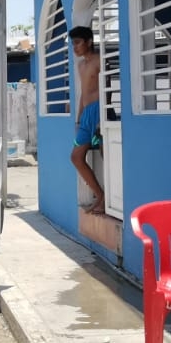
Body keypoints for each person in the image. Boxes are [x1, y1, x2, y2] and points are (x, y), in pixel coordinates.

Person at [69, 26, 105, 214]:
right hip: (86, 115)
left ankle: (108, 200)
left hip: (101, 111)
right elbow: (84, 92)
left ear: (89, 42)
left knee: (105, 155)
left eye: (77, 42)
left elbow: (108, 88)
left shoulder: (100, 60)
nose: (74, 47)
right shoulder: (80, 65)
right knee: (76, 157)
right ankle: (100, 195)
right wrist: (79, 117)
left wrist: (103, 117)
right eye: (73, 43)